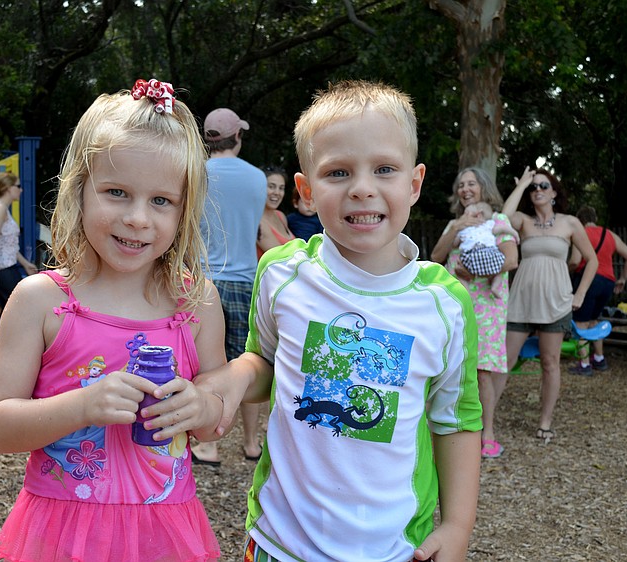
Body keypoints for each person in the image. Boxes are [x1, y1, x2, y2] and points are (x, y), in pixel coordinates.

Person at [195, 80, 482, 562]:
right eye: (339, 172)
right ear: (306, 191)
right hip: (278, 543)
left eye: (385, 169)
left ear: (414, 184)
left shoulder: (445, 304)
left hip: (393, 549)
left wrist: (457, 525)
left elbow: (456, 420)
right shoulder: (282, 274)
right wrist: (234, 376)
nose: (363, 188)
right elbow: (264, 361)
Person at [0, 79, 227, 562]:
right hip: (61, 534)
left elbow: (217, 407)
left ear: (184, 209)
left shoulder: (196, 303)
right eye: (116, 192)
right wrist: (84, 405)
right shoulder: (40, 301)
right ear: (79, 191)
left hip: (165, 532)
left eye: (160, 201)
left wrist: (204, 407)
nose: (137, 218)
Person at [191, 107, 267, 467]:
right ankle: (251, 443)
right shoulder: (257, 179)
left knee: (204, 363)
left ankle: (207, 443)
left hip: (202, 280)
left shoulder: (196, 174)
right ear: (237, 136)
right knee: (246, 363)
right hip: (244, 281)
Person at [502, 166, 598, 444]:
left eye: (543, 186)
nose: (538, 191)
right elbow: (502, 218)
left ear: (554, 193)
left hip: (556, 303)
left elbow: (590, 260)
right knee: (505, 361)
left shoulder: (570, 223)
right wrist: (521, 184)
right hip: (521, 301)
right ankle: (485, 423)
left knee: (550, 362)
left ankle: (545, 421)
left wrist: (579, 295)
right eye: (534, 188)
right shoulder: (523, 221)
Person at [430, 168, 518, 459]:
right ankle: (451, 427)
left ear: (484, 188)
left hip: (487, 304)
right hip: (455, 302)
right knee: (451, 366)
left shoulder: (498, 220)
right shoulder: (455, 223)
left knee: (482, 370)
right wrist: (457, 227)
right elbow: (436, 257)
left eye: (472, 184)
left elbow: (511, 259)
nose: (466, 189)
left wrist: (473, 271)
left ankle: (487, 433)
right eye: (461, 185)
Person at [0, 172, 38, 371]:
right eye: (18, 186)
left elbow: (7, 244)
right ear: (8, 188)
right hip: (1, 269)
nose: (21, 189)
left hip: (1, 265)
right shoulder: (0, 209)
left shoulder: (3, 209)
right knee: (26, 310)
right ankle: (22, 361)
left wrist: (25, 263)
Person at [567, 205, 627, 375]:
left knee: (581, 322)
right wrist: (622, 279)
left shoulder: (580, 233)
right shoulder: (610, 234)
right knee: (593, 320)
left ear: (579, 220)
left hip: (589, 280)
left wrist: (565, 272)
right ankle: (599, 358)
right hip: (608, 282)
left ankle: (584, 365)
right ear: (595, 218)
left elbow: (575, 261)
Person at [453, 201, 519, 298]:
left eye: (466, 214)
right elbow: (503, 229)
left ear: (478, 215)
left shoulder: (464, 229)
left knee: (460, 273)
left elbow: (455, 244)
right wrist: (515, 234)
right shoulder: (488, 226)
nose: (464, 217)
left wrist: (458, 234)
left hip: (470, 256)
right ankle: (495, 286)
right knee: (500, 267)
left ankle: (466, 294)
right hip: (490, 254)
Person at [256, 165, 296, 258]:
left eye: (281, 188)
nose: (277, 192)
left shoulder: (280, 216)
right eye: (271, 186)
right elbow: (282, 258)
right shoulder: (256, 220)